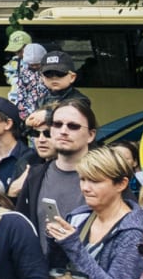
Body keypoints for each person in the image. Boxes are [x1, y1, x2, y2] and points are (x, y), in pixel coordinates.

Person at [46, 146, 143, 279]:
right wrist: (55, 242)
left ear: (121, 184)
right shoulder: (80, 216)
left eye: (95, 181)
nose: (85, 187)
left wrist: (73, 246)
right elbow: (56, 271)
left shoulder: (135, 232)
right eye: (83, 179)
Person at [16, 95, 97, 250]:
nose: (63, 131)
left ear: (91, 135)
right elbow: (22, 230)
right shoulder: (35, 175)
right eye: (57, 125)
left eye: (73, 126)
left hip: (90, 271)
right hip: (43, 270)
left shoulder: (108, 176)